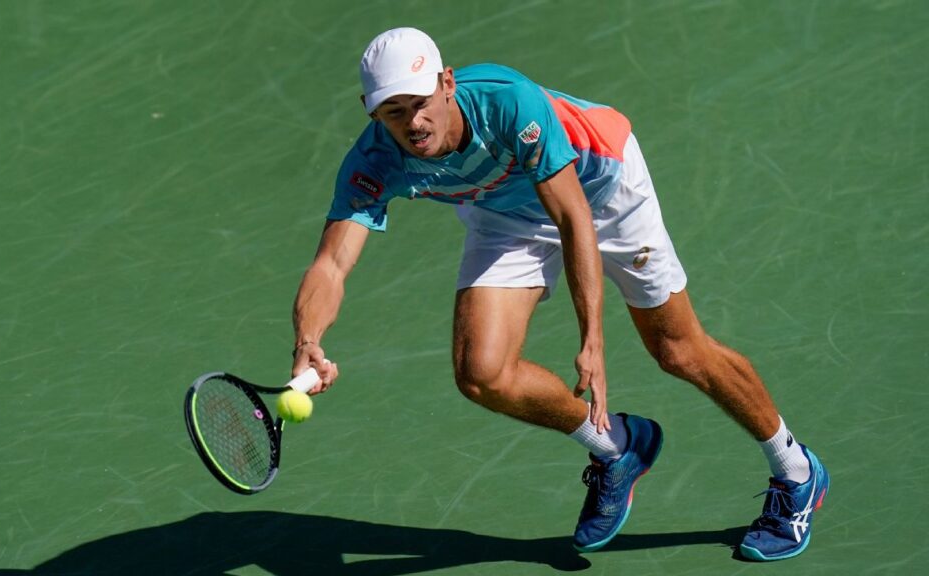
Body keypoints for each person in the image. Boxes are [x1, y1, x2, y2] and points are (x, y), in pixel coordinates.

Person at [289, 27, 828, 562]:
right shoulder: (373, 162)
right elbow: (333, 263)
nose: (414, 123)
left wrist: (592, 339)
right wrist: (309, 338)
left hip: (603, 190)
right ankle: (618, 448)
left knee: (677, 350)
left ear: (447, 83)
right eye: (394, 112)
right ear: (370, 110)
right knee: (482, 374)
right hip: (504, 214)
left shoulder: (507, 103)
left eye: (420, 103)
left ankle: (797, 469)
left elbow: (574, 218)